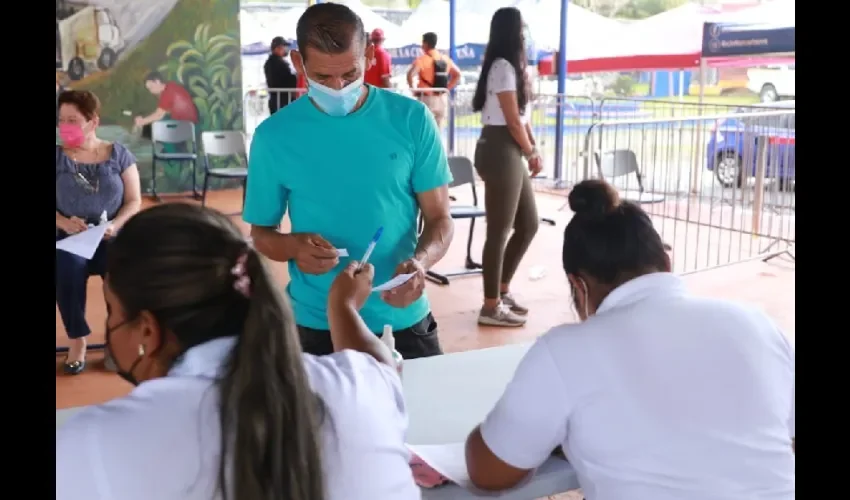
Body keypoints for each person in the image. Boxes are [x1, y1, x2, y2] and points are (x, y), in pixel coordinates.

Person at [55, 204, 420, 500]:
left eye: (112, 311)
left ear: (148, 330)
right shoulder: (363, 389)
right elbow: (378, 364)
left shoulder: (98, 442)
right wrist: (342, 307)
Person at [464, 180, 796, 499]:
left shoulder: (567, 350)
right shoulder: (757, 324)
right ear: (667, 263)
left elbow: (489, 472)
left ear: (578, 286)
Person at [244, 3, 454, 360]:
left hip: (401, 320)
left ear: (369, 56)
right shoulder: (273, 137)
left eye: (350, 73)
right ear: (298, 64)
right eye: (323, 78)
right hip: (316, 325)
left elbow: (440, 219)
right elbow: (261, 235)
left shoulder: (412, 119)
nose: (338, 87)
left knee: (425, 414)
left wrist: (421, 263)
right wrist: (294, 247)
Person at [56, 90, 142, 375]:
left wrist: (116, 225)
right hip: (67, 236)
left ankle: (117, 342)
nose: (64, 126)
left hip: (110, 235)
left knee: (123, 271)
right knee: (66, 266)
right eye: (61, 120)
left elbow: (134, 200)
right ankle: (77, 340)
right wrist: (64, 223)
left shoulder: (118, 154)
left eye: (73, 120)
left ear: (92, 122)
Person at [471, 7, 541, 327]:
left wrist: (532, 149)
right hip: (500, 148)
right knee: (499, 230)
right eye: (521, 29)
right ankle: (490, 306)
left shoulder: (513, 67)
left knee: (528, 224)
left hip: (510, 148)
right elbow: (511, 119)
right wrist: (530, 152)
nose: (525, 34)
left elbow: (522, 119)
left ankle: (501, 290)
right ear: (512, 32)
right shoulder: (502, 68)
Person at [406, 32, 460, 127]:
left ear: (425, 44)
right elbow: (457, 74)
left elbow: (410, 74)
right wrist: (447, 88)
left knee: (424, 129)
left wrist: (413, 89)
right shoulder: (444, 59)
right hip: (442, 98)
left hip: (426, 98)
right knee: (437, 131)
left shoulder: (422, 60)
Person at [134, 71, 199, 131]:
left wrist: (142, 121)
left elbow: (158, 115)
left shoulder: (167, 93)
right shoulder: (171, 86)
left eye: (151, 87)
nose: (151, 91)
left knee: (154, 127)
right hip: (189, 123)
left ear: (157, 81)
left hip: (185, 125)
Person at [265, 36, 298, 114]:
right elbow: (285, 80)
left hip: (279, 100)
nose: (285, 49)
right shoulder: (275, 63)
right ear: (277, 48)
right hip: (281, 101)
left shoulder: (273, 62)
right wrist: (296, 77)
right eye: (283, 47)